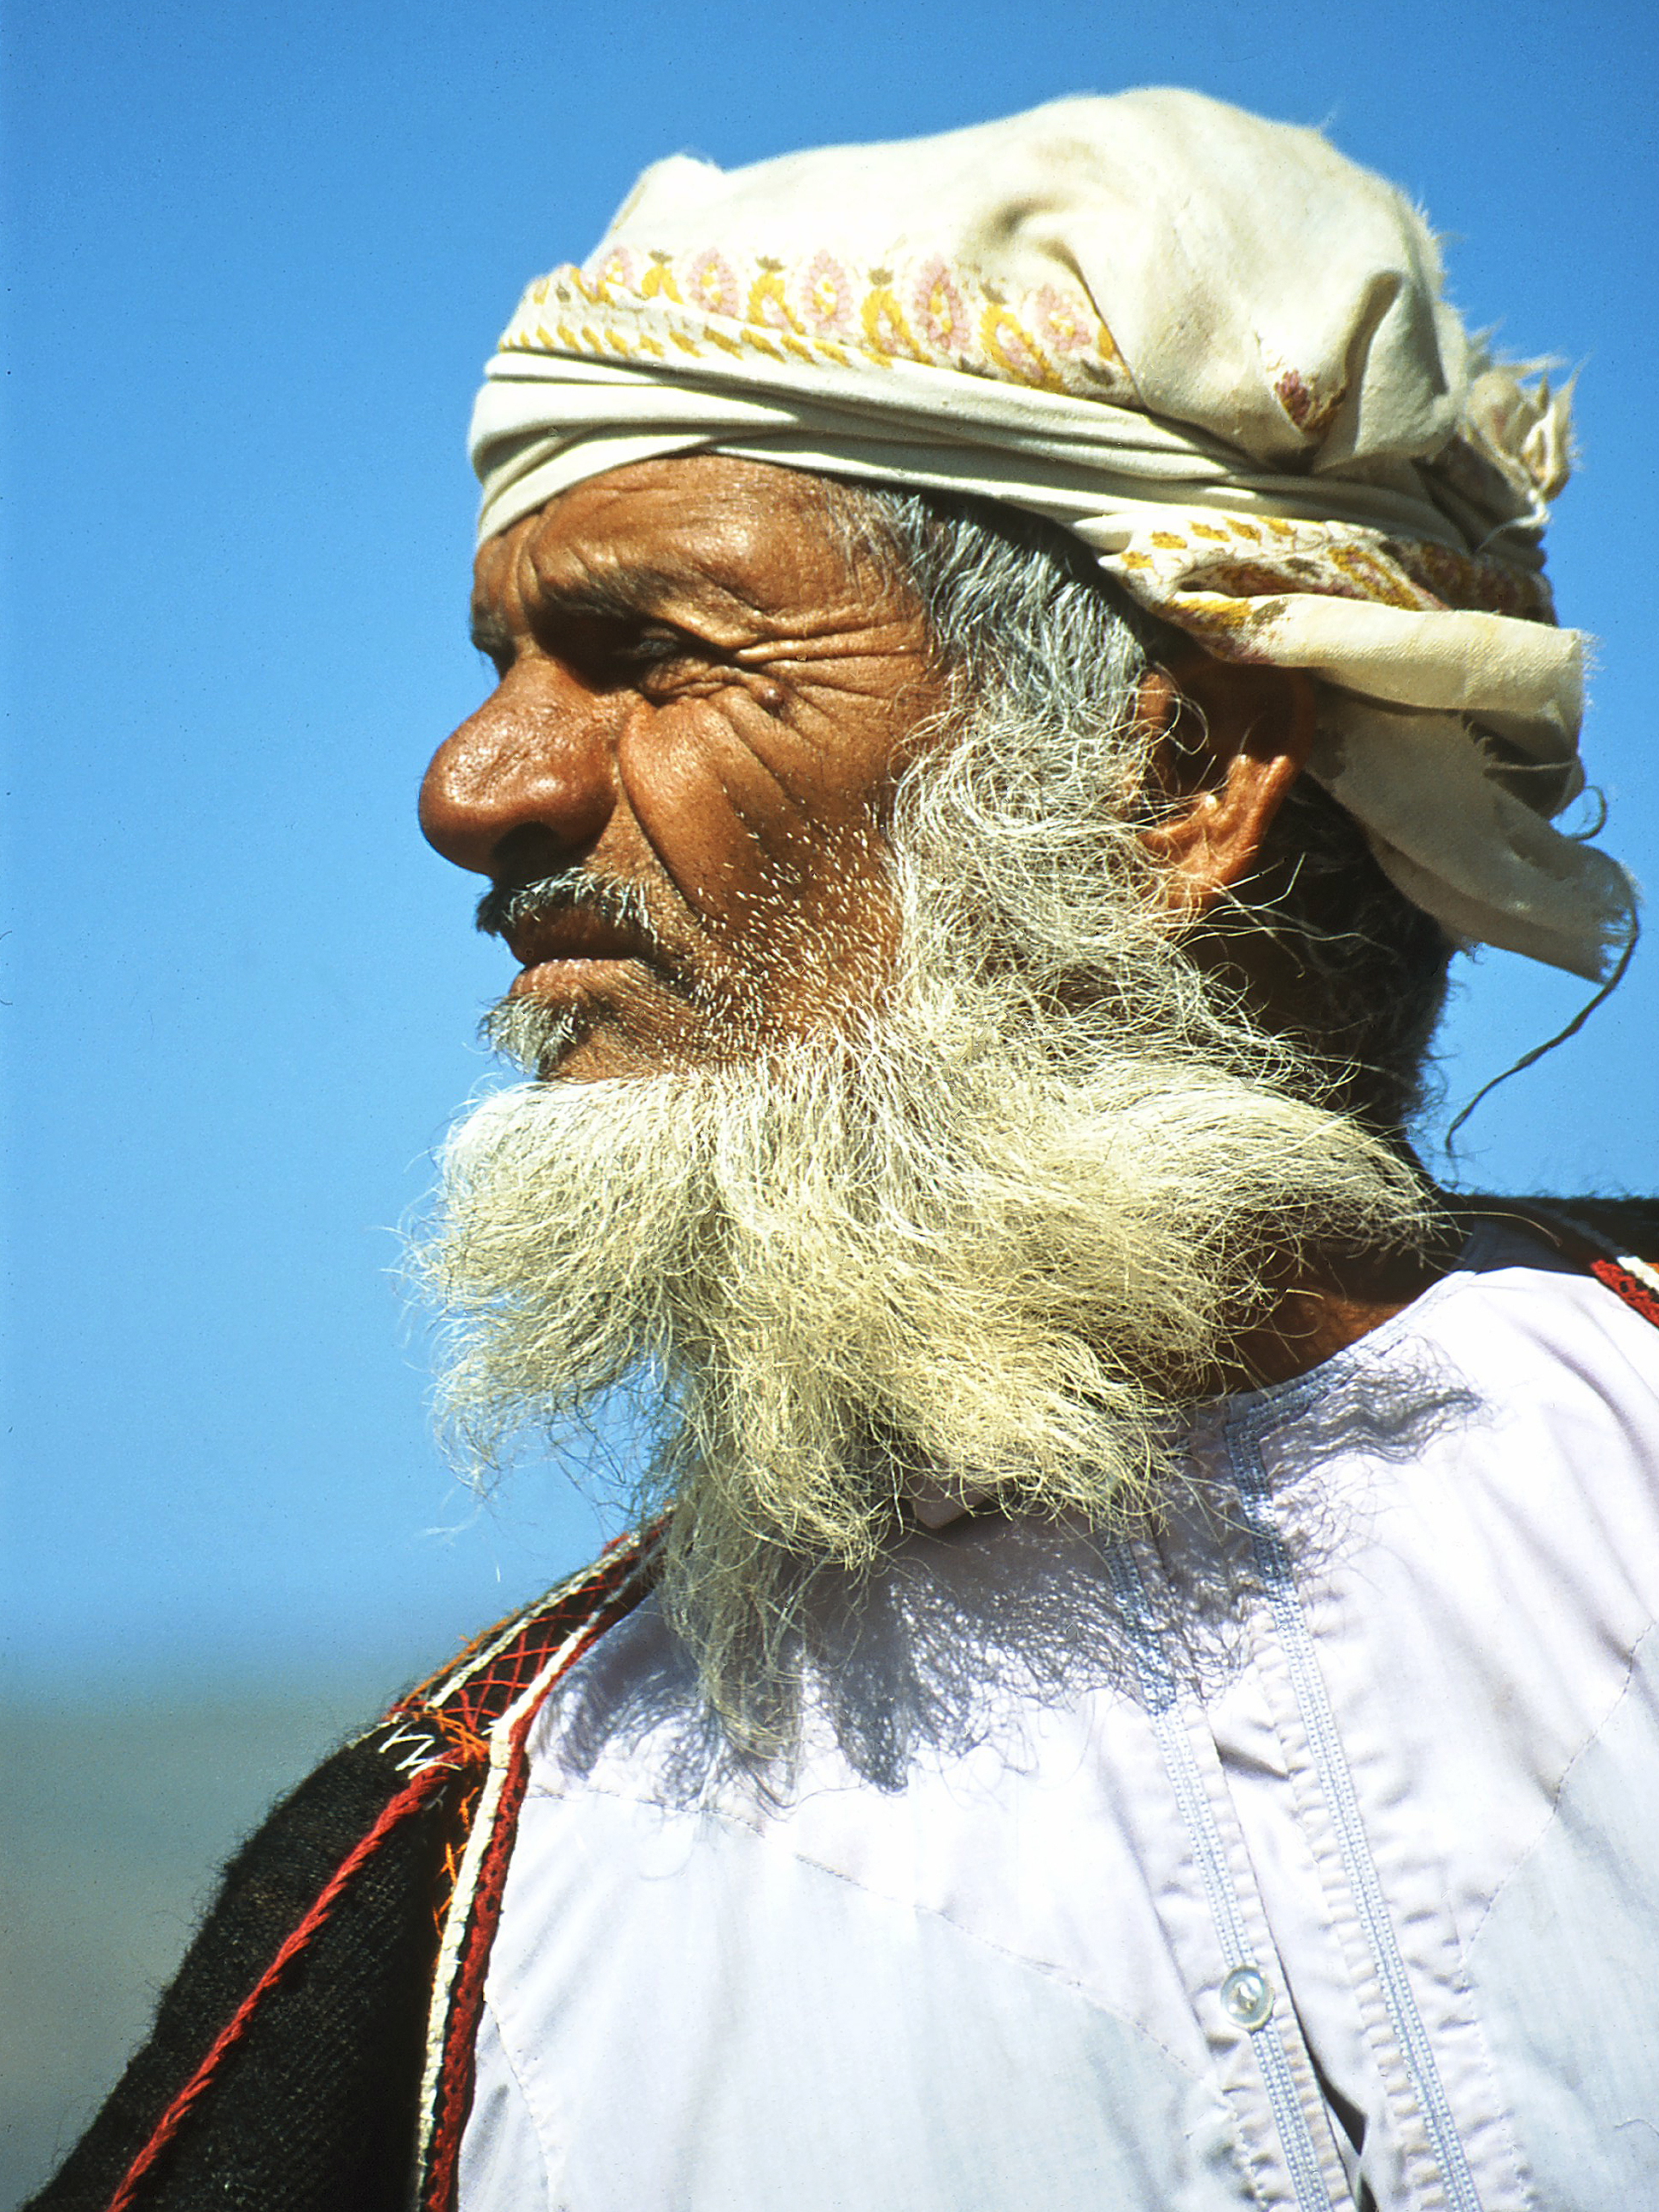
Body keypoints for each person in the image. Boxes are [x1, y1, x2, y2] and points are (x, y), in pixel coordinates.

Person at [32, 88, 1659, 2212]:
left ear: (1178, 770)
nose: (474, 789)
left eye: (650, 658)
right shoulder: (452, 1904)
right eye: (502, 665)